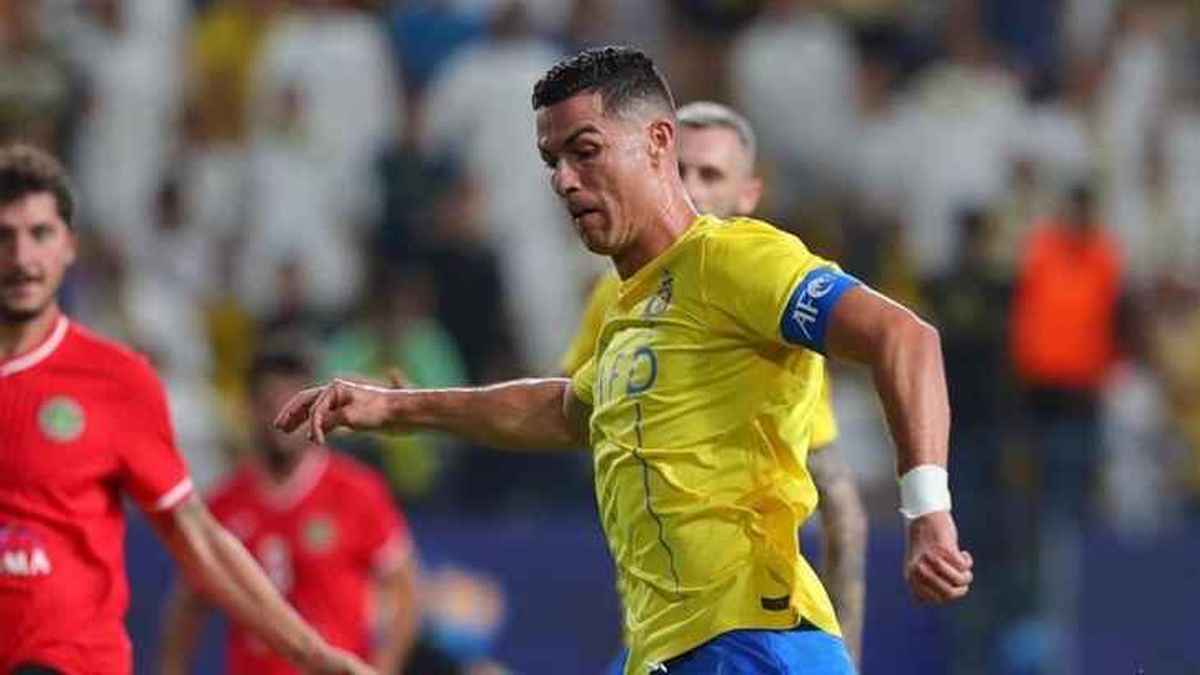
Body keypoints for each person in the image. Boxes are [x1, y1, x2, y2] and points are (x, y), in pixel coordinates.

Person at [276, 47, 972, 675]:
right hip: (662, 650)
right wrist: (398, 407)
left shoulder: (733, 258)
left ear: (659, 141)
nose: (564, 180)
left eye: (585, 151)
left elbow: (904, 337)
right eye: (552, 162)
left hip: (755, 642)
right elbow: (565, 409)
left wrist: (928, 512)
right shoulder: (624, 310)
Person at [0, 143, 372, 675]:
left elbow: (196, 537)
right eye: (4, 236)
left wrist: (310, 653)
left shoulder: (115, 381)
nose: (22, 258)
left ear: (69, 246)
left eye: (39, 234)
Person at [559, 100, 868, 665]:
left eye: (712, 175)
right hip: (657, 630)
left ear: (748, 195)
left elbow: (838, 500)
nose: (693, 189)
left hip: (745, 623)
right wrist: (424, 405)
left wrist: (845, 649)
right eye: (681, 171)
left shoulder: (765, 292)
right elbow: (566, 409)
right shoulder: (616, 293)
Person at [160, 348, 420, 675]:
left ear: (315, 408)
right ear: (250, 409)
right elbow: (189, 605)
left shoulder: (357, 492)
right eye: (269, 404)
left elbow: (404, 590)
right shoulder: (224, 504)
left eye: (295, 404)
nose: (284, 418)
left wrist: (384, 667)